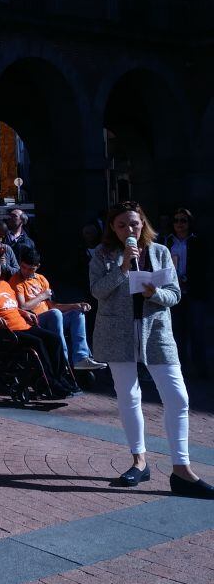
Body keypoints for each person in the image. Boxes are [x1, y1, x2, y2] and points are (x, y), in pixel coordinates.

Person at [89, 201, 212, 498]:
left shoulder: (160, 252)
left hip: (156, 331)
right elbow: (97, 291)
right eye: (121, 225)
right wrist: (123, 268)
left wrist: (154, 292)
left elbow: (175, 294)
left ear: (143, 223)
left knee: (178, 397)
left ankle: (181, 469)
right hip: (118, 333)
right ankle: (139, 460)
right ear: (112, 229)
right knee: (129, 396)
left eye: (133, 223)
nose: (128, 230)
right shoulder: (102, 254)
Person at [0, 258, 73, 397]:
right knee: (37, 343)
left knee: (54, 339)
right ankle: (50, 382)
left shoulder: (5, 285)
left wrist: (25, 312)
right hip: (3, 332)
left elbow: (13, 307)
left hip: (22, 325)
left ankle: (60, 377)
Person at [10, 247, 105, 372]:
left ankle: (81, 358)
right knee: (55, 314)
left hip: (52, 317)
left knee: (77, 314)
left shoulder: (41, 279)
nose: (26, 271)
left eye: (30, 269)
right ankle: (63, 358)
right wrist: (42, 296)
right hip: (33, 321)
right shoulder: (16, 281)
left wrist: (75, 305)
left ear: (37, 266)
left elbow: (53, 306)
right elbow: (22, 306)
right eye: (23, 267)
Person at [161, 208, 207, 378]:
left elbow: (203, 266)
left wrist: (187, 279)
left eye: (183, 220)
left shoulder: (198, 241)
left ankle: (201, 370)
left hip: (194, 292)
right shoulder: (167, 242)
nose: (179, 224)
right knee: (177, 332)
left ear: (189, 223)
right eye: (176, 220)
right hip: (174, 293)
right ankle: (180, 369)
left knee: (197, 332)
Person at [0, 174, 36, 256]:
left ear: (22, 220)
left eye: (14, 216)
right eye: (10, 215)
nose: (10, 217)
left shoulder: (28, 243)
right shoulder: (2, 233)